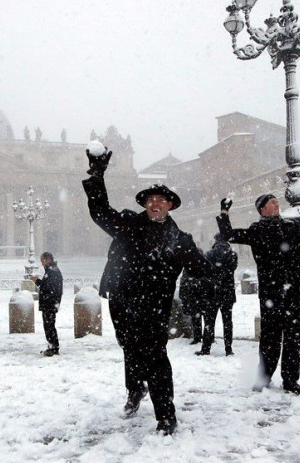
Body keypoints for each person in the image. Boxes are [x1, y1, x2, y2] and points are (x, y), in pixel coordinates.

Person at [83, 146, 211, 435]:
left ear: (170, 206)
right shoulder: (129, 225)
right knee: (129, 347)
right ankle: (135, 389)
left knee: (155, 357)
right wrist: (97, 176)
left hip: (155, 307)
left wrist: (208, 273)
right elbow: (101, 212)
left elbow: (202, 270)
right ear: (144, 204)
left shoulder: (180, 240)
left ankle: (166, 416)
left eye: (161, 200)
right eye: (151, 200)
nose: (155, 204)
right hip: (122, 301)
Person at [217, 194, 300, 395]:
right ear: (262, 209)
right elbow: (228, 234)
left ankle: (290, 380)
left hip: (296, 290)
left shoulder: (291, 227)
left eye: (276, 201)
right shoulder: (257, 230)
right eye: (271, 202)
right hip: (271, 293)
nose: (276, 204)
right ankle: (264, 377)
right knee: (270, 337)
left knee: (294, 337)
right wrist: (224, 212)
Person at [196, 234, 238, 356]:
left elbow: (204, 273)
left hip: (212, 293)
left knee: (209, 322)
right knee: (228, 322)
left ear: (216, 240)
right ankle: (228, 349)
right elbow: (231, 270)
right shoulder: (232, 255)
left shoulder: (209, 254)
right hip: (228, 294)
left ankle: (206, 348)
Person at [32, 251, 63, 356]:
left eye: (42, 261)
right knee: (49, 326)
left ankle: (53, 348)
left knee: (49, 326)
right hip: (50, 303)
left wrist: (38, 282)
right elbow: (47, 286)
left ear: (48, 259)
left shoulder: (52, 271)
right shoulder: (51, 270)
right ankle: (52, 347)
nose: (42, 263)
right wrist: (38, 281)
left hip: (49, 303)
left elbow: (48, 288)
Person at [179, 262, 212, 345]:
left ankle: (201, 337)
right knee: (202, 318)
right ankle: (205, 337)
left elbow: (183, 281)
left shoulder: (189, 267)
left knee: (199, 318)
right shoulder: (204, 266)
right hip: (200, 296)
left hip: (197, 296)